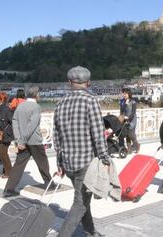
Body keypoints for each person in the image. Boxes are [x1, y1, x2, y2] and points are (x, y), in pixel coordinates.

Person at [53, 66, 110, 237]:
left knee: (84, 200)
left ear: (69, 82)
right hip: (86, 163)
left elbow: (56, 136)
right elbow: (98, 134)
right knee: (80, 203)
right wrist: (105, 159)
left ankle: (90, 232)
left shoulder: (60, 103)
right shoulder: (90, 101)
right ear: (88, 82)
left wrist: (59, 162)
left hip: (68, 163)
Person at [3, 87, 53, 197]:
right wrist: (23, 140)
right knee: (42, 162)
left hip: (22, 141)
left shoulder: (20, 106)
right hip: (34, 140)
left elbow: (14, 123)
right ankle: (49, 182)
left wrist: (19, 140)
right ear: (37, 95)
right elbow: (32, 126)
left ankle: (9, 188)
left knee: (18, 165)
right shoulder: (36, 107)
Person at [0, 92, 14, 178]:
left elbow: (12, 121)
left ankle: (9, 172)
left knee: (3, 153)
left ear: (1, 100)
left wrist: (9, 132)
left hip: (6, 135)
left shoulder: (6, 109)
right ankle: (6, 170)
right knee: (2, 153)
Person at [120, 88, 140, 154]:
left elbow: (133, 112)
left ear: (129, 94)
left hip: (132, 120)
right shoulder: (122, 101)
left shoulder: (133, 102)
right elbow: (122, 111)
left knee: (131, 134)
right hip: (125, 120)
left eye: (125, 94)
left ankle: (137, 146)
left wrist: (128, 119)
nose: (124, 95)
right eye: (123, 94)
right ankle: (129, 149)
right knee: (126, 134)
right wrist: (125, 104)